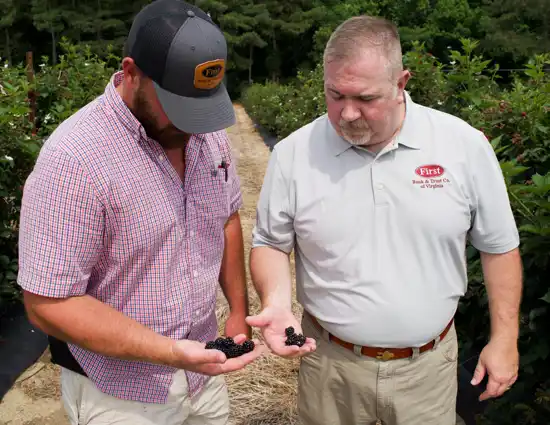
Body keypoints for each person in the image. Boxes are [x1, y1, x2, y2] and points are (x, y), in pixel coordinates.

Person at [246, 15, 523, 425]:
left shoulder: (462, 145)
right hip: (330, 369)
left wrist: (505, 338)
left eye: (366, 98)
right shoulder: (293, 153)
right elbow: (270, 242)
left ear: (401, 83)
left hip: (427, 370)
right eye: (335, 95)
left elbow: (498, 247)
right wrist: (276, 304)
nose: (348, 113)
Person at [17, 1, 266, 424]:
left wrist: (238, 313)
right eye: (178, 104)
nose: (194, 125)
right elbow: (47, 303)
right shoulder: (75, 159)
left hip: (203, 376)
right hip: (121, 396)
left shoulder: (207, 138)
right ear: (131, 72)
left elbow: (225, 219)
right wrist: (167, 351)